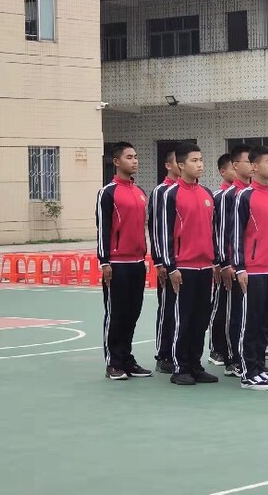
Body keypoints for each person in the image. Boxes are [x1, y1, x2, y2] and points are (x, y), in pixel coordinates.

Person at [161, 143, 218, 386]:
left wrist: (215, 262)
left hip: (205, 268)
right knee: (182, 319)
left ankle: (195, 364)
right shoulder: (170, 194)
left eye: (202, 160)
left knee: (200, 319)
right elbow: (164, 232)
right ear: (181, 165)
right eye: (194, 160)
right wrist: (170, 266)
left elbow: (213, 231)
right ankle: (179, 366)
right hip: (182, 268)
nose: (200, 164)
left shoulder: (206, 193)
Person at [96, 142, 153, 380]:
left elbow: (142, 228)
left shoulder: (139, 192)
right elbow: (103, 229)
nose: (135, 161)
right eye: (129, 157)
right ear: (116, 162)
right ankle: (113, 362)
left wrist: (144, 256)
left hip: (137, 262)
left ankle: (127, 359)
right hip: (116, 264)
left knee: (133, 313)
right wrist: (105, 261)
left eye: (136, 156)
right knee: (116, 313)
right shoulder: (107, 192)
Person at [233, 145, 268, 391]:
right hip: (254, 270)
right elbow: (235, 235)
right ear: (254, 167)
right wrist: (240, 268)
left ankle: (259, 369)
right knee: (251, 323)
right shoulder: (244, 197)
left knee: (267, 323)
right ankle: (248, 372)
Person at [219, 144, 254, 377]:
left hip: (256, 265)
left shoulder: (255, 193)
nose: (252, 165)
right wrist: (226, 263)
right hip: (235, 265)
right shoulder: (229, 195)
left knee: (253, 316)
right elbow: (224, 232)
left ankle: (251, 357)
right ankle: (232, 357)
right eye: (247, 161)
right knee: (235, 314)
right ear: (234, 166)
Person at [148, 148, 181, 374]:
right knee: (168, 308)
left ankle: (182, 353)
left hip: (189, 262)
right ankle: (164, 353)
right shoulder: (162, 192)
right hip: (169, 262)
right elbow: (157, 228)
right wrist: (160, 261)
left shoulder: (195, 191)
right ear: (169, 165)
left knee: (186, 311)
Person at [208, 154, 236, 366]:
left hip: (240, 262)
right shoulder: (219, 196)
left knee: (236, 310)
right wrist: (219, 261)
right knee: (221, 307)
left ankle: (233, 348)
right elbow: (217, 231)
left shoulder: (244, 195)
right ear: (223, 171)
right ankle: (216, 348)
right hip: (223, 261)